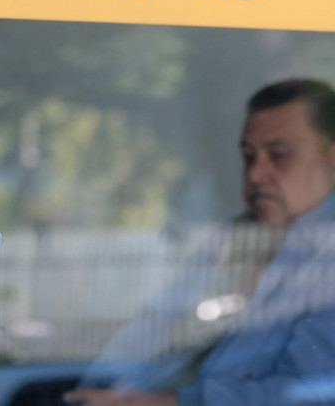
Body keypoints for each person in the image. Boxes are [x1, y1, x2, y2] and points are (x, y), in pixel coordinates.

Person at [65, 78, 335, 406]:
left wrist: (165, 402)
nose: (254, 175)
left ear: (330, 158)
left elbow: (313, 392)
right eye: (249, 156)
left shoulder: (324, 251)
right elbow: (154, 324)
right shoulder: (236, 237)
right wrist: (100, 388)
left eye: (278, 156)